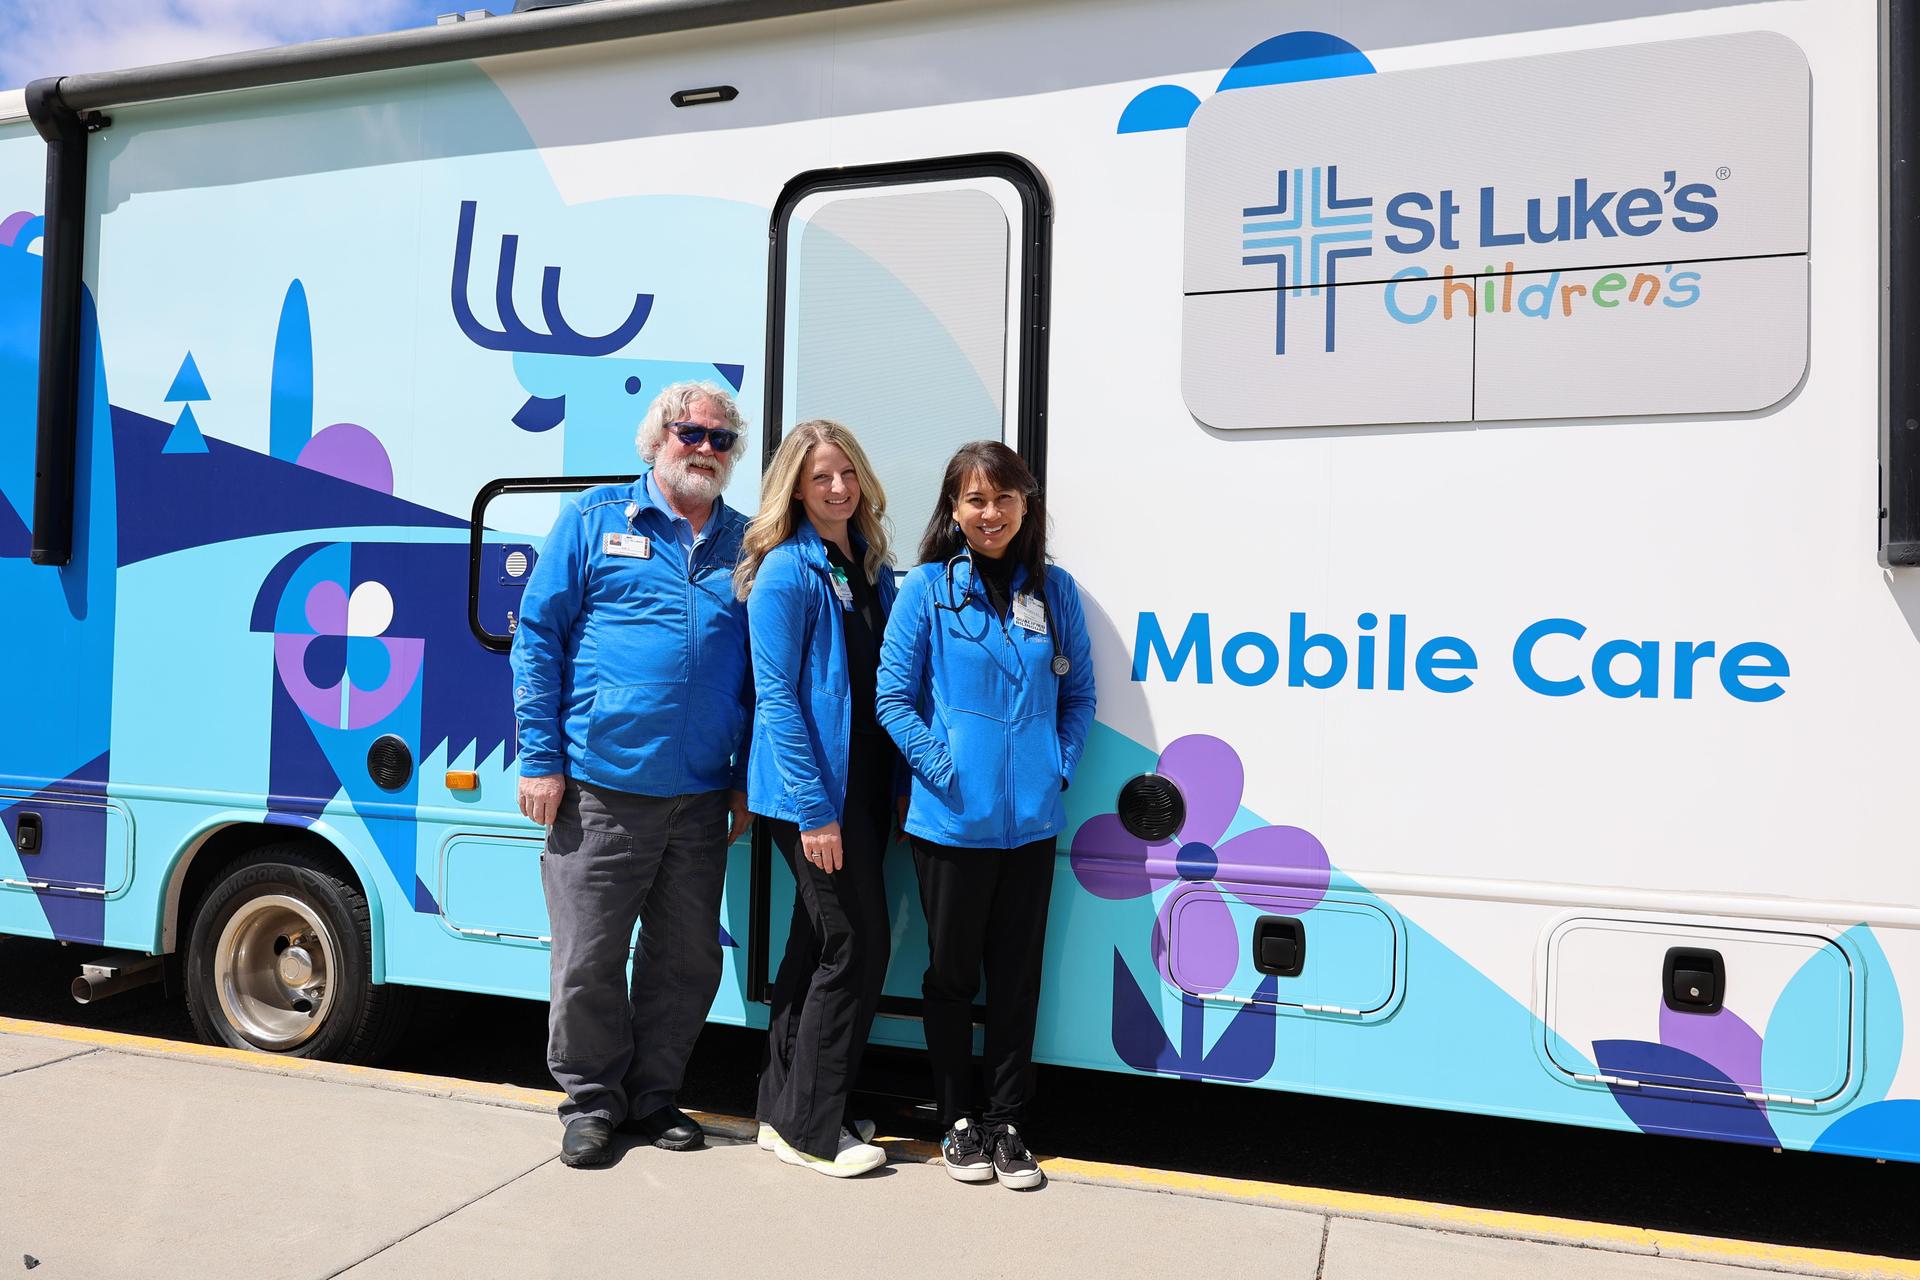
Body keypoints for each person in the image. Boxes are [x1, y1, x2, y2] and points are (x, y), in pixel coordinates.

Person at [512, 380, 754, 1169]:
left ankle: (652, 1096)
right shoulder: (593, 521)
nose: (706, 449)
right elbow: (538, 639)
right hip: (600, 788)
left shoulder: (748, 545)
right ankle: (591, 1102)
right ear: (658, 439)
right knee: (588, 958)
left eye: (722, 439)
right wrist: (541, 759)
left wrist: (746, 778)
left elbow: (764, 675)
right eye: (692, 433)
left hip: (700, 796)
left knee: (686, 962)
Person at [876, 440, 1096, 1191]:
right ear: (954, 509)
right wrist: (944, 771)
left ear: (1025, 504)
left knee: (1016, 979)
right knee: (951, 976)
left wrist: (1056, 765)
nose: (991, 512)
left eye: (1004, 498)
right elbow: (892, 699)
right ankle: (956, 1121)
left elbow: (1079, 696)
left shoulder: (1054, 591)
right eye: (975, 499)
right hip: (951, 823)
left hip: (1031, 822)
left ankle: (1007, 1123)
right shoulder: (926, 589)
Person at [736, 420, 898, 1178]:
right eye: (820, 477)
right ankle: (812, 1130)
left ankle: (787, 1106)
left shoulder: (868, 565)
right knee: (856, 945)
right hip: (813, 795)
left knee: (815, 945)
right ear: (795, 490)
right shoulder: (784, 572)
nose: (838, 488)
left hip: (862, 788)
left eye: (847, 473)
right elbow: (777, 698)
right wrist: (816, 812)